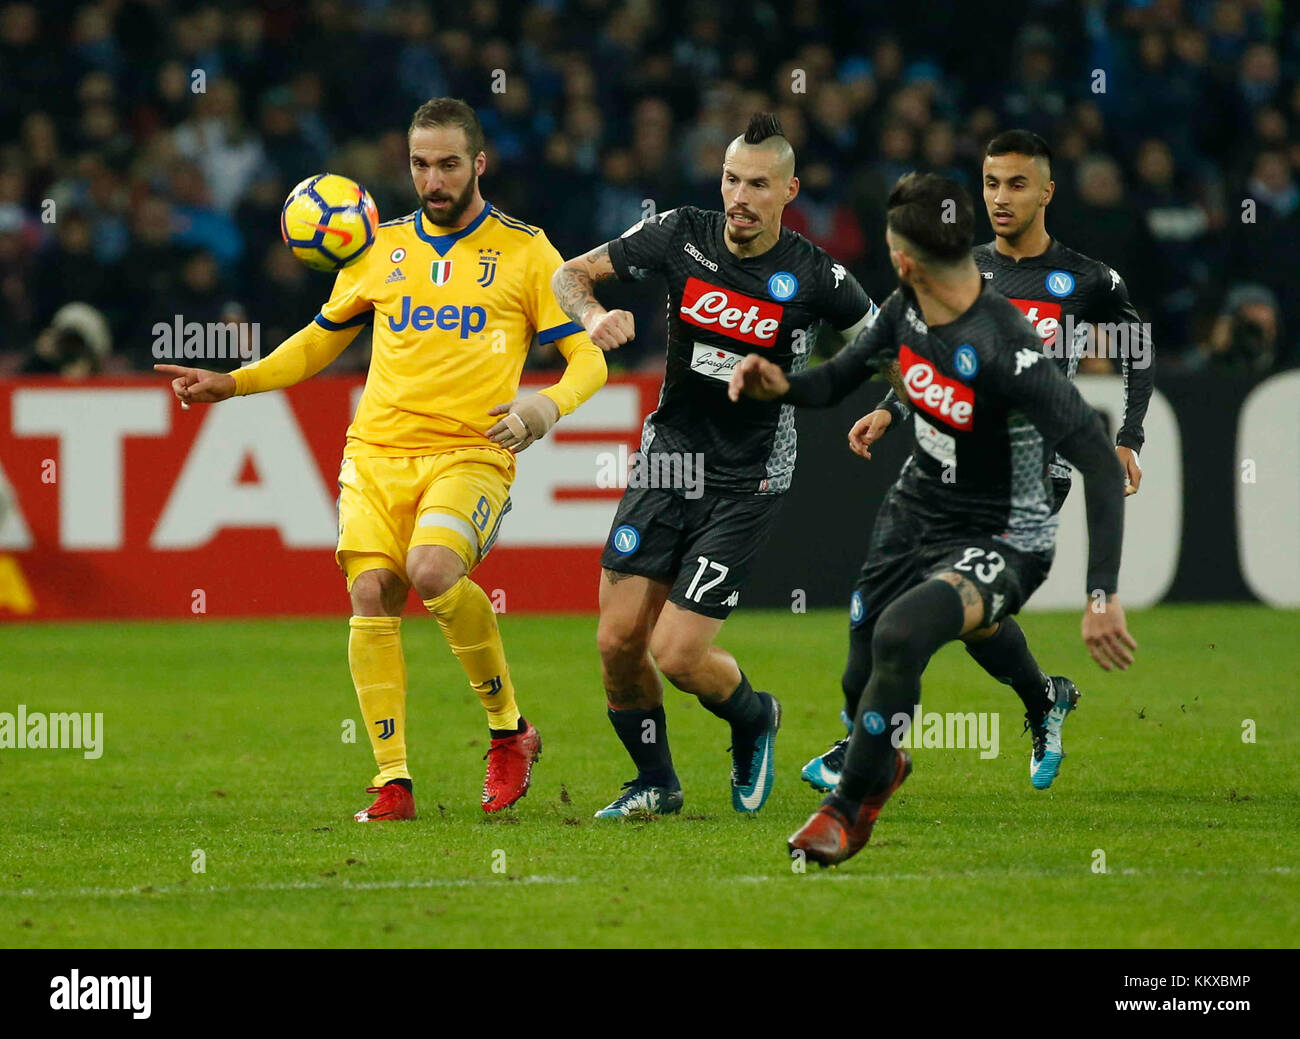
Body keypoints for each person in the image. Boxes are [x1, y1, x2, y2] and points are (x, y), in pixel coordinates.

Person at [156, 98, 607, 822]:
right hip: (375, 453)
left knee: (432, 572)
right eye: (421, 163)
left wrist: (542, 407)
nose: (433, 178)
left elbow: (589, 357)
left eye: (448, 164)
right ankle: (393, 782)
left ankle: (508, 730)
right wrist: (234, 381)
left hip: (471, 451)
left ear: (479, 164)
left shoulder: (528, 252)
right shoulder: (376, 246)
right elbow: (318, 340)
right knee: (372, 593)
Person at [729, 173, 1136, 866]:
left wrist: (1101, 593)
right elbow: (840, 377)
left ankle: (846, 810)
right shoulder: (906, 306)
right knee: (861, 668)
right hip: (918, 505)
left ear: (907, 255)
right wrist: (785, 384)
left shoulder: (1009, 345)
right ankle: (884, 755)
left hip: (1006, 531)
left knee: (903, 630)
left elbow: (1098, 461)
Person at [803, 130, 1152, 794]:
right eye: (991, 183)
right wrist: (890, 406)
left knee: (914, 611)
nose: (1001, 197)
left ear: (1048, 191)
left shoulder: (1087, 280)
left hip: (1027, 479)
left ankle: (867, 745)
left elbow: (1138, 350)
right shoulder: (961, 269)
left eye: (1017, 184)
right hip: (941, 469)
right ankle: (1043, 696)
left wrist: (1129, 434)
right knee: (960, 617)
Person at [551, 113, 878, 818]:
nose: (741, 195)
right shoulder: (681, 234)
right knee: (616, 641)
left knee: (675, 652)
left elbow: (886, 341)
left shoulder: (816, 274)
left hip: (747, 478)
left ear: (788, 190)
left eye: (759, 184)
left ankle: (754, 716)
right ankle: (655, 782)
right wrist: (591, 318)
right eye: (732, 178)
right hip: (669, 460)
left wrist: (883, 407)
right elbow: (569, 273)